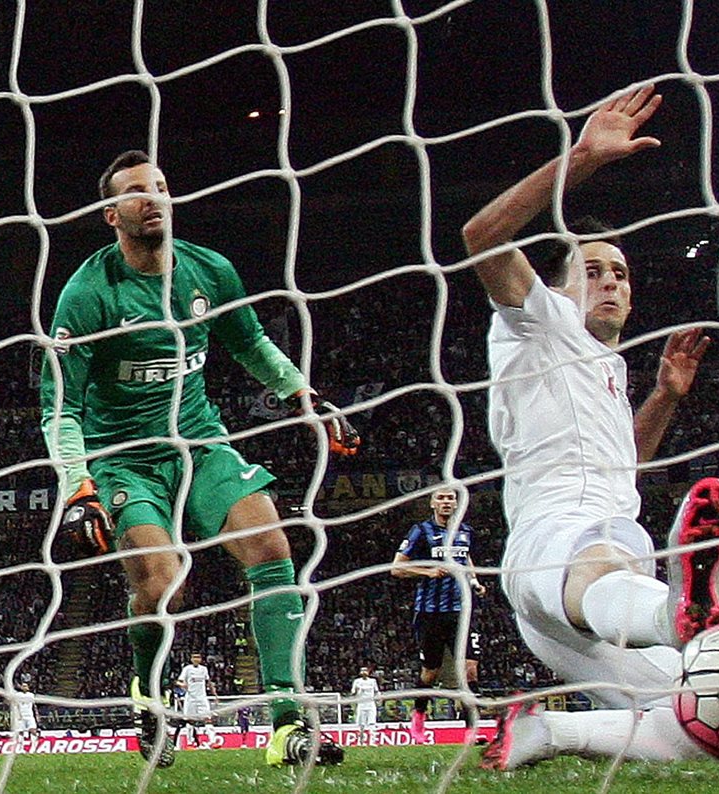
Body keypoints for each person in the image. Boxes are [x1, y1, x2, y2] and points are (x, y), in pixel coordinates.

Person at [40, 150, 357, 768]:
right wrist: (77, 488)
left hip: (201, 442)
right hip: (124, 460)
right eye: (135, 191)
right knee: (163, 586)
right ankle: (148, 694)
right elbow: (61, 408)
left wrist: (303, 395)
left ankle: (289, 724)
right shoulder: (86, 296)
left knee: (272, 548)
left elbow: (252, 344)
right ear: (112, 214)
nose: (152, 198)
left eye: (159, 186)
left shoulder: (209, 272)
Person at [460, 85, 719, 769]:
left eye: (620, 272)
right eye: (593, 270)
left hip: (581, 596)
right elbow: (481, 238)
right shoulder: (542, 322)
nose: (611, 281)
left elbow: (623, 463)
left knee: (706, 724)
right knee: (606, 558)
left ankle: (547, 733)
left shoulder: (606, 366)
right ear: (557, 288)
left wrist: (665, 399)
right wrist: (582, 157)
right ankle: (673, 607)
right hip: (558, 546)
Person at [391, 487, 486, 743]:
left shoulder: (465, 532)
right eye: (441, 498)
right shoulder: (421, 532)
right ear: (433, 503)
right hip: (430, 613)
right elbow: (397, 568)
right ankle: (419, 716)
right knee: (429, 673)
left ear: (456, 504)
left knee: (470, 670)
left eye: (450, 498)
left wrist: (475, 581)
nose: (446, 502)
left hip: (462, 611)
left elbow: (466, 559)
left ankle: (471, 730)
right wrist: (428, 572)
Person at [177, 652, 216, 747]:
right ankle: (190, 742)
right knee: (190, 720)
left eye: (198, 657)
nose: (196, 659)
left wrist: (215, 695)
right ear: (191, 659)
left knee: (208, 718)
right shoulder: (187, 669)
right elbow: (178, 681)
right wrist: (182, 685)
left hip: (202, 698)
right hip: (190, 698)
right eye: (194, 657)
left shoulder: (204, 669)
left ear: (201, 659)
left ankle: (212, 741)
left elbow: (208, 682)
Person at [349, 667, 380, 738]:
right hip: (361, 704)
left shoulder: (373, 681)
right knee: (361, 724)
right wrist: (356, 691)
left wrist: (378, 700)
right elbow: (353, 693)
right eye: (362, 671)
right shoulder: (357, 681)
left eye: (365, 671)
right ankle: (361, 741)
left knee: (372, 722)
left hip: (371, 704)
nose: (364, 672)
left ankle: (373, 740)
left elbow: (377, 692)